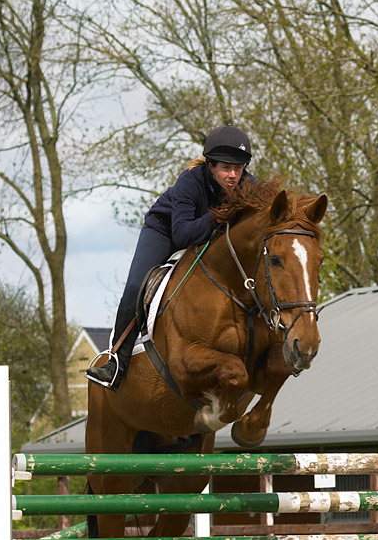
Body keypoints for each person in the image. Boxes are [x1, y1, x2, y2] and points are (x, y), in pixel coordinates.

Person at [85, 124, 255, 390]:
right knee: (135, 285)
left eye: (239, 168)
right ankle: (116, 362)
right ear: (210, 166)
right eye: (226, 168)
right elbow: (183, 234)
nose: (233, 175)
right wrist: (219, 215)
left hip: (211, 238)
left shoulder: (248, 185)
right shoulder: (190, 181)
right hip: (165, 230)